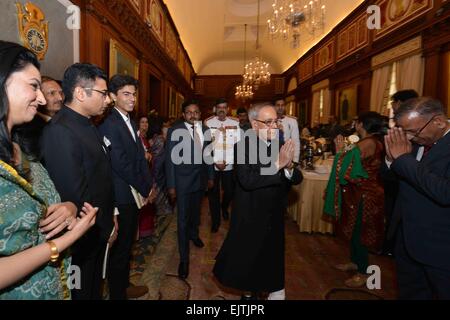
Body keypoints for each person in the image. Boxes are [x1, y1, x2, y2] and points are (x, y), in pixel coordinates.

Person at [0, 41, 97, 299]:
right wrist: (64, 241)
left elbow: (46, 201)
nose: (42, 98)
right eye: (34, 86)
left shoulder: (21, 148)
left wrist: (69, 208)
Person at [41, 63, 116, 300]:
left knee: (94, 289)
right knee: (81, 292)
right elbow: (72, 192)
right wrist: (96, 226)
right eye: (103, 94)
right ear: (81, 93)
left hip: (97, 227)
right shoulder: (61, 130)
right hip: (81, 236)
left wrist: (110, 217)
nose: (107, 100)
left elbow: (100, 177)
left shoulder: (87, 123)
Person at [213, 103, 302, 300]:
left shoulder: (280, 144)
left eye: (276, 122)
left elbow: (296, 177)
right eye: (268, 122)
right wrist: (278, 164)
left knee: (269, 262)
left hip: (274, 216)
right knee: (247, 263)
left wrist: (287, 169)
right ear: (255, 125)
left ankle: (267, 290)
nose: (274, 127)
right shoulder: (242, 146)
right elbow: (248, 180)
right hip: (250, 215)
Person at [384, 97, 450, 299]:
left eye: (413, 131)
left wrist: (403, 160)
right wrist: (389, 159)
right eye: (405, 132)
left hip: (441, 248)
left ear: (438, 122)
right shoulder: (417, 139)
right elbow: (394, 182)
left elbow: (445, 193)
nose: (410, 138)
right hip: (407, 243)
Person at [98, 74, 156, 299]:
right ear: (112, 96)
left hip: (133, 192)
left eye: (134, 94)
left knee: (128, 245)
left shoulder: (130, 120)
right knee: (120, 249)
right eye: (126, 94)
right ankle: (117, 294)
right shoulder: (108, 123)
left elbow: (139, 158)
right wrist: (145, 187)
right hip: (121, 194)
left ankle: (123, 286)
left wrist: (149, 184)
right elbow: (120, 163)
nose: (132, 99)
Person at [324, 112, 387, 288]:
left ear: (361, 124)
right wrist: (341, 153)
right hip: (357, 192)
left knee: (360, 232)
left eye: (356, 122)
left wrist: (338, 153)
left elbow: (347, 167)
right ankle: (355, 262)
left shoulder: (368, 143)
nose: (354, 125)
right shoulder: (365, 141)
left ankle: (364, 272)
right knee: (353, 228)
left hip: (365, 195)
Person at [166, 100, 214, 279]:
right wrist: (171, 185)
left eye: (196, 112)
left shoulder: (206, 130)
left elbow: (209, 154)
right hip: (182, 182)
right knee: (183, 220)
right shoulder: (174, 130)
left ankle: (194, 235)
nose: (193, 115)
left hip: (200, 180)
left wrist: (210, 176)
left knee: (196, 213)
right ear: (183, 114)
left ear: (200, 114)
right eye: (189, 112)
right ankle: (184, 260)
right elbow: (170, 160)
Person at [205, 98, 240, 232]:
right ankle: (215, 221)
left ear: (227, 109)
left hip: (229, 165)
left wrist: (226, 161)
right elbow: (206, 146)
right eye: (219, 107)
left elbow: (236, 146)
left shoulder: (235, 123)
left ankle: (224, 207)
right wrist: (215, 160)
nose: (221, 110)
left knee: (229, 191)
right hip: (213, 165)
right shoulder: (208, 123)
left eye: (224, 107)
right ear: (215, 109)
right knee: (213, 193)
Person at [274, 98, 300, 163]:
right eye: (278, 105)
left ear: (285, 107)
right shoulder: (268, 121)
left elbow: (295, 141)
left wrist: (295, 160)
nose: (280, 107)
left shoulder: (292, 121)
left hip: (286, 156)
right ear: (274, 107)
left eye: (282, 105)